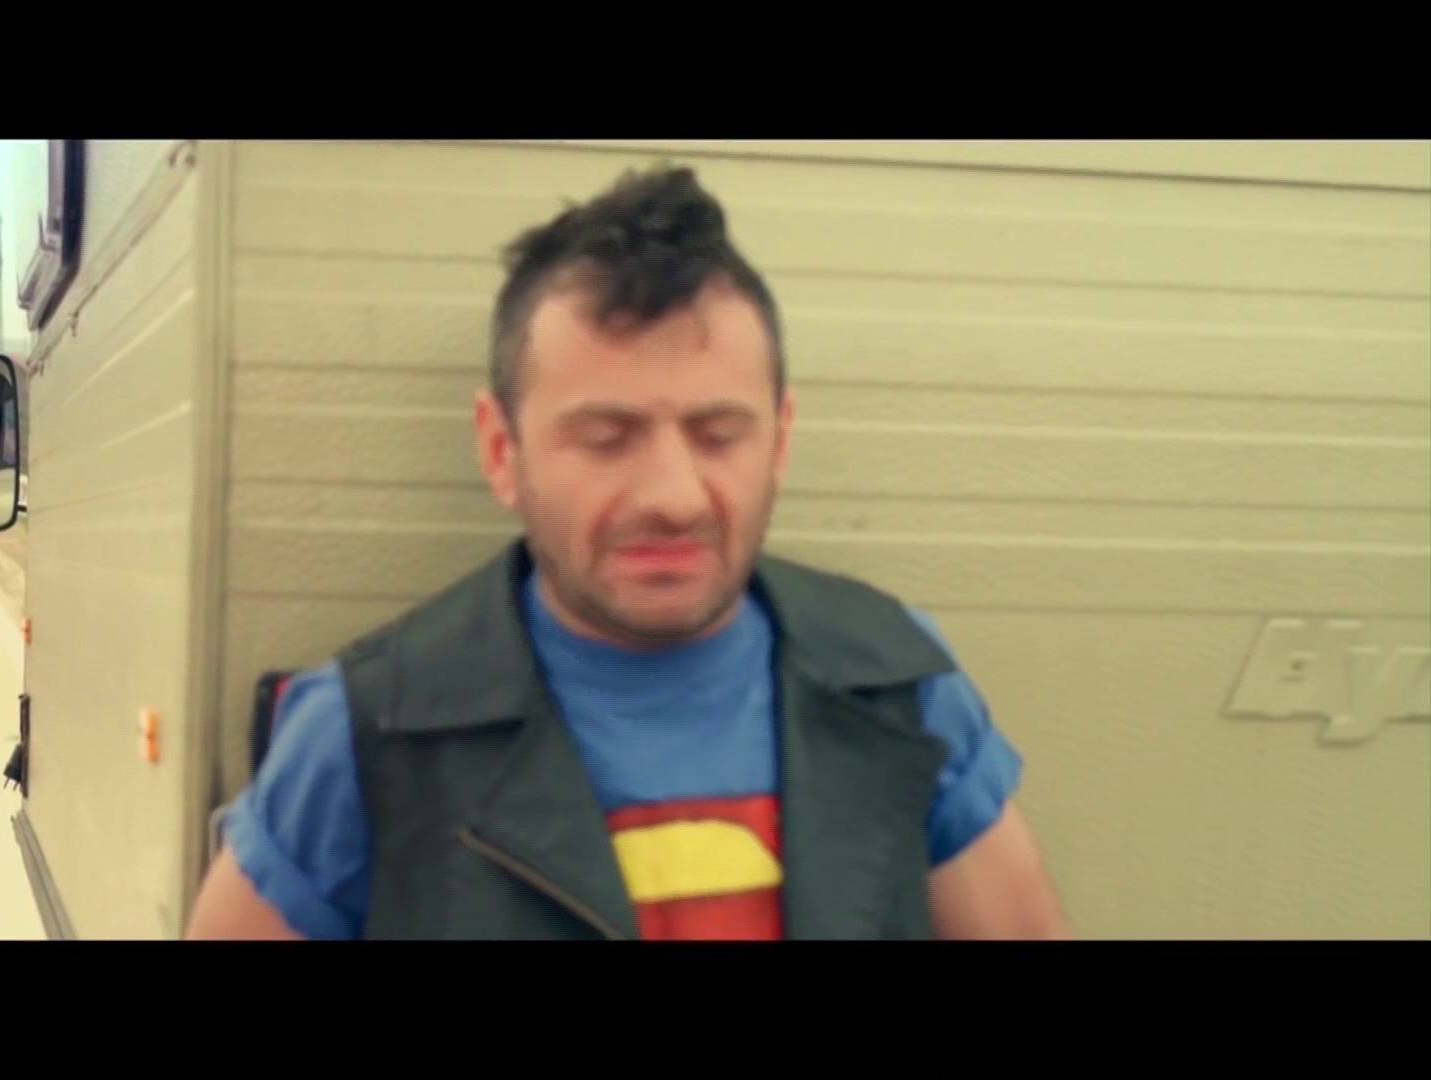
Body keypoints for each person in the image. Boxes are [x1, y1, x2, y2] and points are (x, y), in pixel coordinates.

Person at [185, 165, 1071, 941]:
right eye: (606, 438)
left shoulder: (898, 687)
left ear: (781, 438)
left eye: (719, 434)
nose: (673, 496)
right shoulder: (371, 735)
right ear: (500, 450)